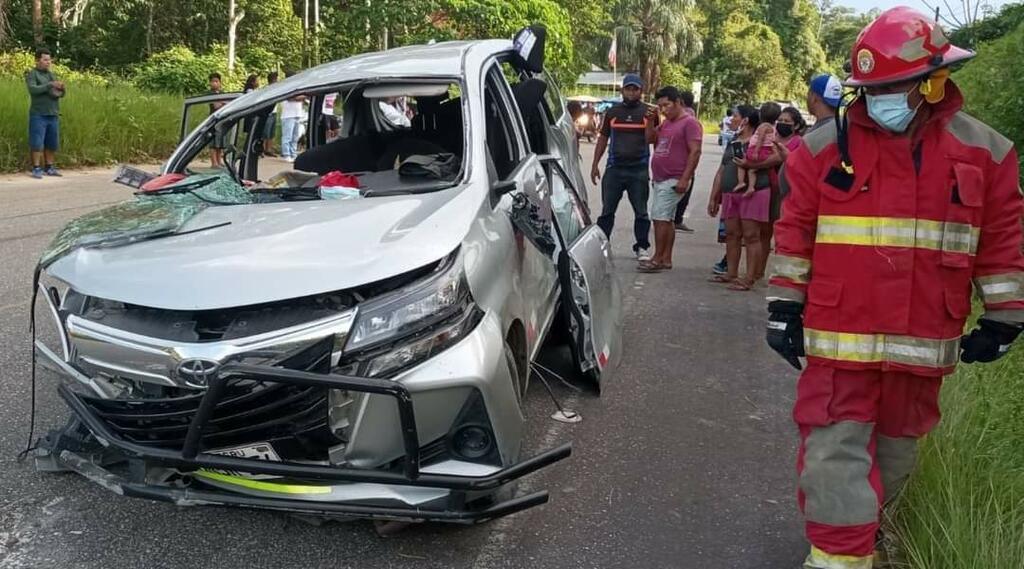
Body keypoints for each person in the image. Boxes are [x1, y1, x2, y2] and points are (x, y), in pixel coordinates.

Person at [765, 7, 1024, 568]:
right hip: (840, 340)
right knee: (834, 454)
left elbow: (1002, 241)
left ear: (935, 82)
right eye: (874, 89)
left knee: (896, 455)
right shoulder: (821, 151)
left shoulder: (988, 153)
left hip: (924, 339)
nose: (883, 99)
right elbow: (794, 234)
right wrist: (783, 306)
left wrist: (1006, 316)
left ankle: (865, 537)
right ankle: (839, 558)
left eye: (898, 86)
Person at [591, 73, 655, 261]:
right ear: (622, 90)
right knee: (607, 211)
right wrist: (595, 164)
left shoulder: (649, 113)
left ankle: (642, 247)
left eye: (635, 89)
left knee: (641, 212)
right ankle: (603, 245)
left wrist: (657, 169)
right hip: (614, 169)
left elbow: (653, 139)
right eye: (628, 88)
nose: (631, 92)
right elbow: (603, 139)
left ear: (641, 91)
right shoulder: (613, 112)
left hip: (639, 170)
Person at [639, 87, 703, 272]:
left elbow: (695, 151)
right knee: (667, 219)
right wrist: (650, 122)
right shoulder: (667, 123)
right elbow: (650, 139)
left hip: (674, 178)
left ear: (678, 102)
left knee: (659, 218)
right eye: (660, 106)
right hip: (661, 178)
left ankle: (657, 258)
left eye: (667, 105)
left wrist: (685, 178)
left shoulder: (690, 123)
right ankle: (666, 258)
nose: (664, 110)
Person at [707, 105, 765, 289]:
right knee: (732, 234)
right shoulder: (734, 140)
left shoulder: (759, 141)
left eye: (735, 116)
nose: (731, 119)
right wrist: (714, 195)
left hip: (753, 193)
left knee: (751, 235)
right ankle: (732, 272)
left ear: (746, 120)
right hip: (730, 193)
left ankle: (749, 278)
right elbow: (722, 168)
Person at [26, 48, 65, 179]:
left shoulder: (51, 75)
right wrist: (49, 85)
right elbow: (33, 90)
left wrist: (62, 88)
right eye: (45, 59)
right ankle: (36, 168)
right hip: (38, 114)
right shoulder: (33, 74)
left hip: (52, 114)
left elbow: (58, 94)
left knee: (52, 143)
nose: (48, 62)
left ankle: (49, 167)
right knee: (37, 142)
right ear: (37, 60)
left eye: (49, 60)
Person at [279, 93, 307, 162]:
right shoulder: (287, 89)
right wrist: (303, 96)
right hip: (288, 116)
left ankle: (293, 154)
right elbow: (290, 98)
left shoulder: (299, 91)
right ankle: (286, 155)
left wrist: (301, 97)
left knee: (295, 137)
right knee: (287, 137)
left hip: (297, 114)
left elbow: (300, 98)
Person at [207, 73, 226, 168]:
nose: (215, 83)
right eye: (213, 81)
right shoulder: (211, 94)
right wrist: (224, 103)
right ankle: (214, 162)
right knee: (213, 142)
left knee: (220, 141)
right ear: (210, 83)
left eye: (217, 81)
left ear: (220, 82)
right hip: (213, 119)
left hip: (221, 119)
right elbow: (216, 106)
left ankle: (219, 161)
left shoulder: (222, 93)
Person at [262, 71, 279, 156]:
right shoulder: (267, 89)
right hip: (268, 113)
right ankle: (263, 148)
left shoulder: (276, 89)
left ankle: (269, 149)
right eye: (275, 79)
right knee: (266, 132)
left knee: (272, 133)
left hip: (274, 112)